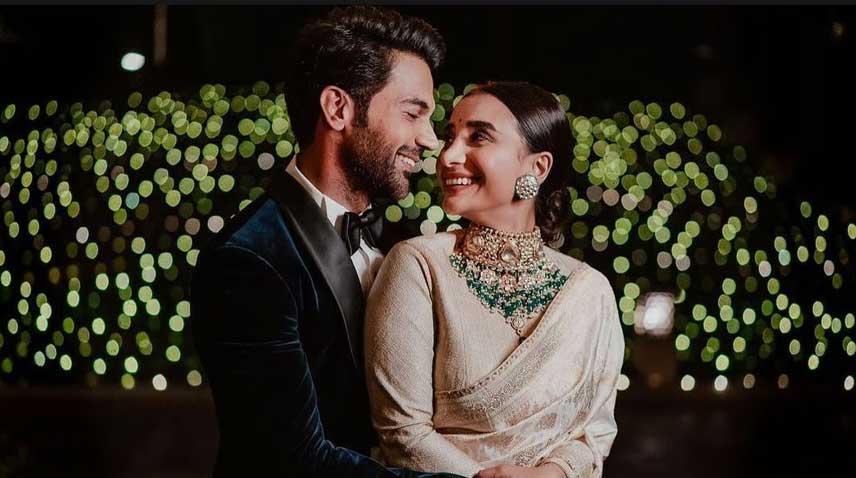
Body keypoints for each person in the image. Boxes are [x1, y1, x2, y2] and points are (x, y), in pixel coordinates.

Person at [190, 6, 459, 477]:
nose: (430, 140)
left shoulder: (405, 243)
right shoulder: (248, 259)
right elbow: (292, 460)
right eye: (413, 113)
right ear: (338, 109)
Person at [364, 82, 625, 478]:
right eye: (451, 135)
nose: (448, 154)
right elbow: (403, 435)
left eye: (478, 136)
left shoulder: (590, 292)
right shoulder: (419, 265)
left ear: (536, 168)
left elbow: (593, 434)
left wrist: (550, 474)